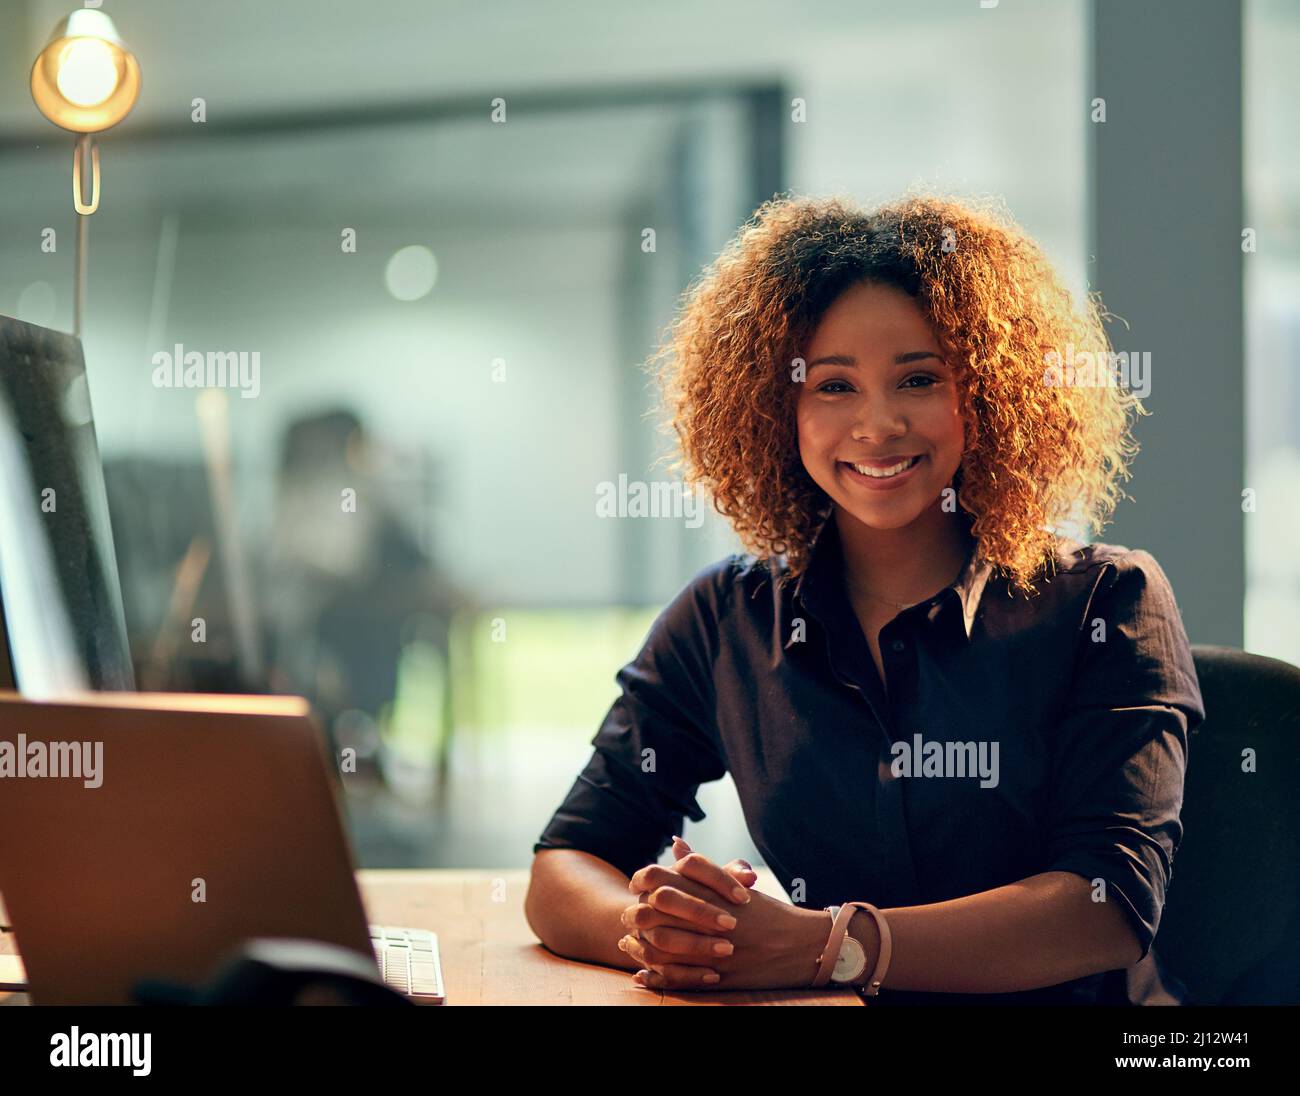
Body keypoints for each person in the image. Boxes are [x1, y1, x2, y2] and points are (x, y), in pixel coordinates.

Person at [524, 193, 1205, 1004]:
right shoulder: (725, 620)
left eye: (917, 378)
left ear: (989, 393)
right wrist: (671, 932)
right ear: (779, 412)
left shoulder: (1107, 601)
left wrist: (827, 947)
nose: (877, 425)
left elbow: (1106, 906)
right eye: (833, 386)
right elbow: (565, 865)